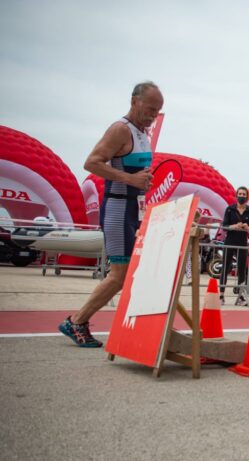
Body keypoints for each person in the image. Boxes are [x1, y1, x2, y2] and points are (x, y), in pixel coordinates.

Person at [59, 82, 163, 348]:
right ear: (134, 101)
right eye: (150, 108)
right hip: (117, 208)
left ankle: (134, 327)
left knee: (131, 274)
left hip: (132, 209)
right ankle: (77, 321)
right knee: (119, 275)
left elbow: (133, 173)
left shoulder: (142, 133)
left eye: (158, 110)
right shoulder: (120, 129)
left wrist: (143, 181)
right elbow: (91, 162)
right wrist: (129, 179)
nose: (153, 115)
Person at [219, 186, 249, 306]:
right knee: (225, 268)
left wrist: (247, 227)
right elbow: (224, 226)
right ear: (236, 195)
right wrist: (234, 226)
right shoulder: (230, 209)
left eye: (244, 194)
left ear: (247, 197)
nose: (241, 196)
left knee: (241, 270)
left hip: (242, 243)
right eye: (240, 194)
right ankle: (221, 295)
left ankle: (241, 297)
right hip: (230, 241)